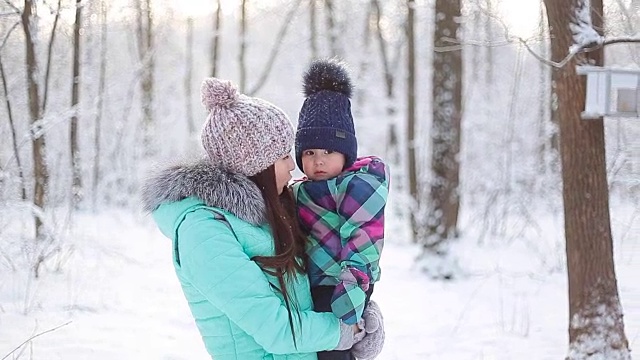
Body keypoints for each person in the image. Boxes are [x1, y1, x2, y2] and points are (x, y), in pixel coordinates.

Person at [141, 77, 384, 360]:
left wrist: (363, 316)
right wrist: (344, 331)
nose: (294, 166)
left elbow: (320, 277)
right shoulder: (202, 231)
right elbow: (275, 328)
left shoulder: (274, 211)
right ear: (256, 166)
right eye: (283, 157)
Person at [291, 59, 389, 360]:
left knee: (335, 352)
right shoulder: (300, 189)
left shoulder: (359, 186)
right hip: (314, 286)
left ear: (346, 154)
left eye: (328, 151)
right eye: (309, 152)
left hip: (342, 284)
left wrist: (353, 289)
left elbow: (363, 238)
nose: (318, 160)